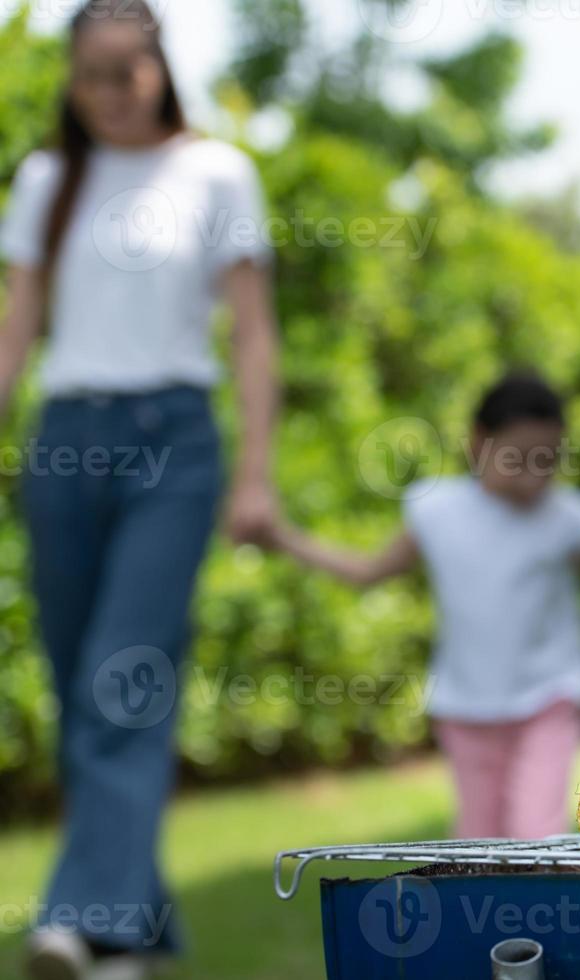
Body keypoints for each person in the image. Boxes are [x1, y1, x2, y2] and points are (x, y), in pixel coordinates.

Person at [0, 1, 280, 977]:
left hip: (174, 444)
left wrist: (254, 473)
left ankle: (82, 918)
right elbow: (16, 323)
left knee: (125, 673)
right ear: (70, 83)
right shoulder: (48, 179)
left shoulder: (217, 171)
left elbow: (251, 331)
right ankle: (136, 929)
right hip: (65, 436)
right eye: (91, 76)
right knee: (84, 687)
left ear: (162, 67)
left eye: (129, 71)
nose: (112, 93)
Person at [263, 372, 580, 841]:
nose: (534, 477)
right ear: (478, 443)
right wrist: (283, 538)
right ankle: (485, 916)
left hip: (548, 697)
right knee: (477, 837)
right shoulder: (435, 509)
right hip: (466, 706)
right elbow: (368, 570)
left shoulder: (568, 516)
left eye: (548, 461)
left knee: (533, 834)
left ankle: (536, 913)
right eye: (518, 459)